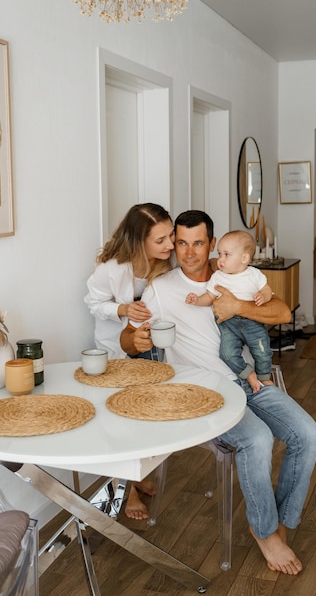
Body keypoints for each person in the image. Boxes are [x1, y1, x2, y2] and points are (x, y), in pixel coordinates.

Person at [120, 210, 316, 575]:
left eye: (198, 243)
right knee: (257, 439)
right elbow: (127, 339)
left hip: (251, 381)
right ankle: (265, 532)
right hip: (204, 391)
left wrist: (239, 306)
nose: (189, 252)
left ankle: (278, 523)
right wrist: (133, 339)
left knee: (308, 434)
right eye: (181, 243)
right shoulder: (161, 289)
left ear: (212, 244)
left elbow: (279, 311)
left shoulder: (234, 274)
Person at [85, 203, 175, 520]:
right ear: (140, 241)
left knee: (144, 413)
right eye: (161, 239)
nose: (170, 245)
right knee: (119, 420)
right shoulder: (112, 268)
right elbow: (92, 301)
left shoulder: (163, 265)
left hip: (148, 347)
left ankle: (134, 476)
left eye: (171, 236)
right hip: (114, 349)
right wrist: (122, 310)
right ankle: (128, 491)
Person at [186, 229, 273, 393]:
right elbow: (209, 296)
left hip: (251, 321)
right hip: (228, 324)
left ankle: (264, 377)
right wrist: (197, 300)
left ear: (244, 258)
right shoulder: (218, 277)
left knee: (263, 350)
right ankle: (249, 374)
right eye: (219, 254)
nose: (220, 259)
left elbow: (267, 290)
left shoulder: (254, 275)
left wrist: (263, 296)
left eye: (227, 254)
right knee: (226, 354)